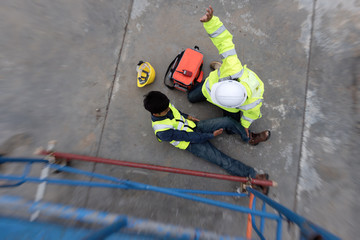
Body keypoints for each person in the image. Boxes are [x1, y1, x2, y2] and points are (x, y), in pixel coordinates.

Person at [143, 91, 270, 194]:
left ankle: (249, 137)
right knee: (222, 160)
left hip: (194, 125)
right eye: (166, 110)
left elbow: (176, 112)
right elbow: (189, 137)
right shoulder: (161, 131)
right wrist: (210, 135)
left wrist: (187, 116)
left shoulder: (165, 105)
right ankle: (254, 178)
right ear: (156, 113)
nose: (168, 108)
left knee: (227, 121)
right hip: (191, 143)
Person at [188, 6, 270, 144]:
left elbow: (251, 115)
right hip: (209, 88)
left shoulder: (253, 102)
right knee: (191, 97)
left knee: (230, 130)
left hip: (229, 106)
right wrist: (210, 22)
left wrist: (244, 126)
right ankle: (220, 67)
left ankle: (249, 136)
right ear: (227, 82)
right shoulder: (232, 66)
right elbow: (224, 41)